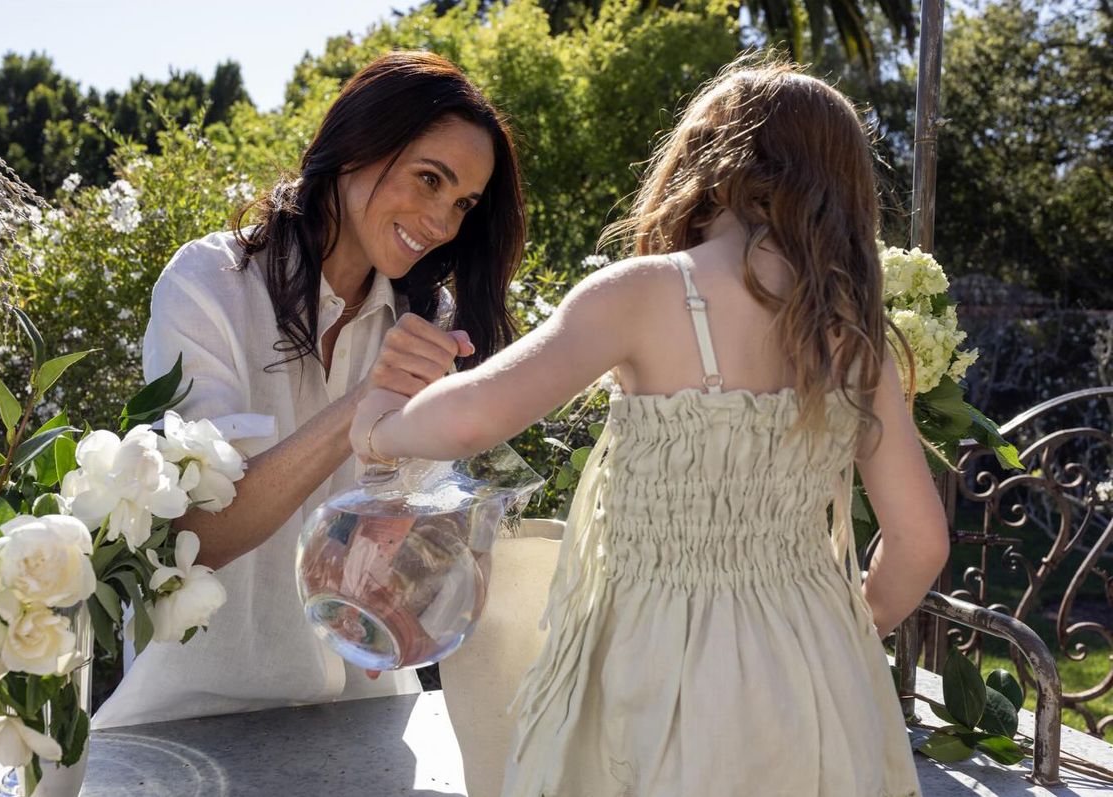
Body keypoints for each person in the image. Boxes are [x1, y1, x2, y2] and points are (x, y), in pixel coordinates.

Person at [349, 54, 947, 796]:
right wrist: (842, 632)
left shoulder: (645, 295)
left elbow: (473, 416)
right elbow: (921, 541)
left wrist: (376, 426)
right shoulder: (853, 338)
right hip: (815, 674)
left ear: (705, 164)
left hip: (662, 666)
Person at [92, 51, 526, 728]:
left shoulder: (429, 324)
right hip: (192, 718)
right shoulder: (208, 285)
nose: (442, 223)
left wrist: (449, 550)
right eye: (429, 179)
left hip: (371, 716)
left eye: (463, 202)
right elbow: (196, 536)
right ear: (358, 146)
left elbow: (418, 543)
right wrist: (366, 403)